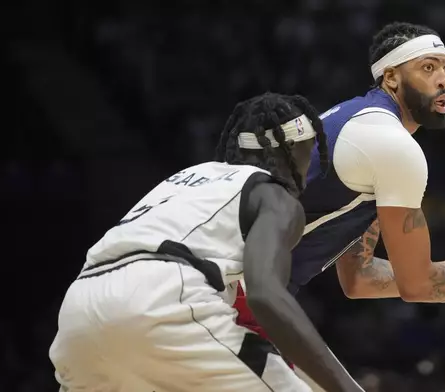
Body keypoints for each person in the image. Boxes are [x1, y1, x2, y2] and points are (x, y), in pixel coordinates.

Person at [234, 21, 445, 354]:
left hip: (223, 282)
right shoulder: (389, 143)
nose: (443, 80)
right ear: (391, 78)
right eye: (427, 68)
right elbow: (416, 287)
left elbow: (360, 278)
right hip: (230, 288)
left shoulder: (357, 121)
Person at [49, 93, 366, 392]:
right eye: (309, 152)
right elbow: (267, 297)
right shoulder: (275, 198)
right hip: (163, 298)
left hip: (79, 312)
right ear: (291, 151)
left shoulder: (188, 178)